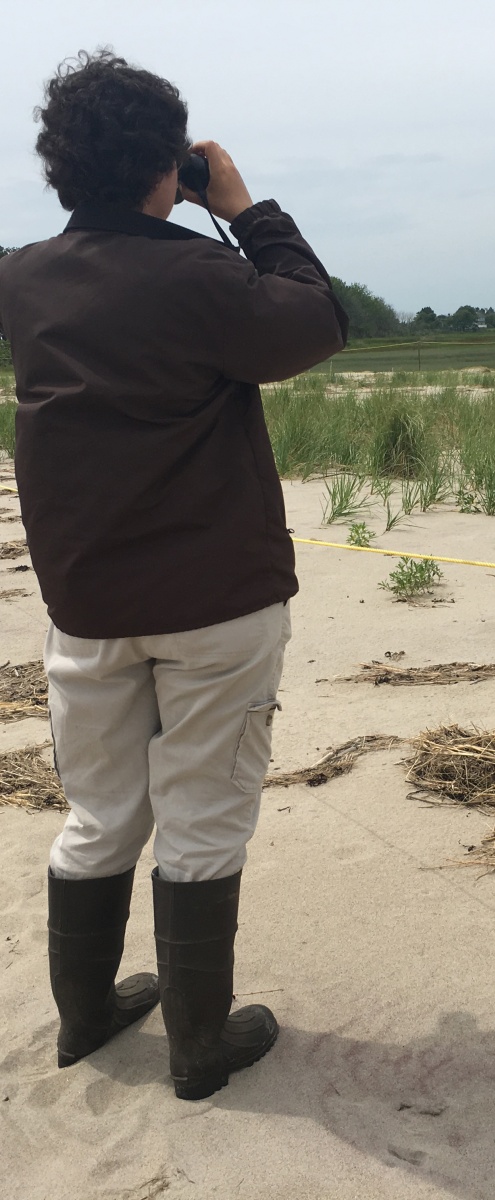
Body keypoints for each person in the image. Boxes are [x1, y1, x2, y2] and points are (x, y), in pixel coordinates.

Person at [0, 50, 348, 1101]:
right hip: (216, 601)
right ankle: (200, 1043)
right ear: (170, 165)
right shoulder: (203, 273)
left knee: (98, 813)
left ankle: (88, 1017)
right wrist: (241, 206)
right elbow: (317, 318)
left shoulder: (22, 277)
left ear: (58, 168)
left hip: (87, 603)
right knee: (202, 815)